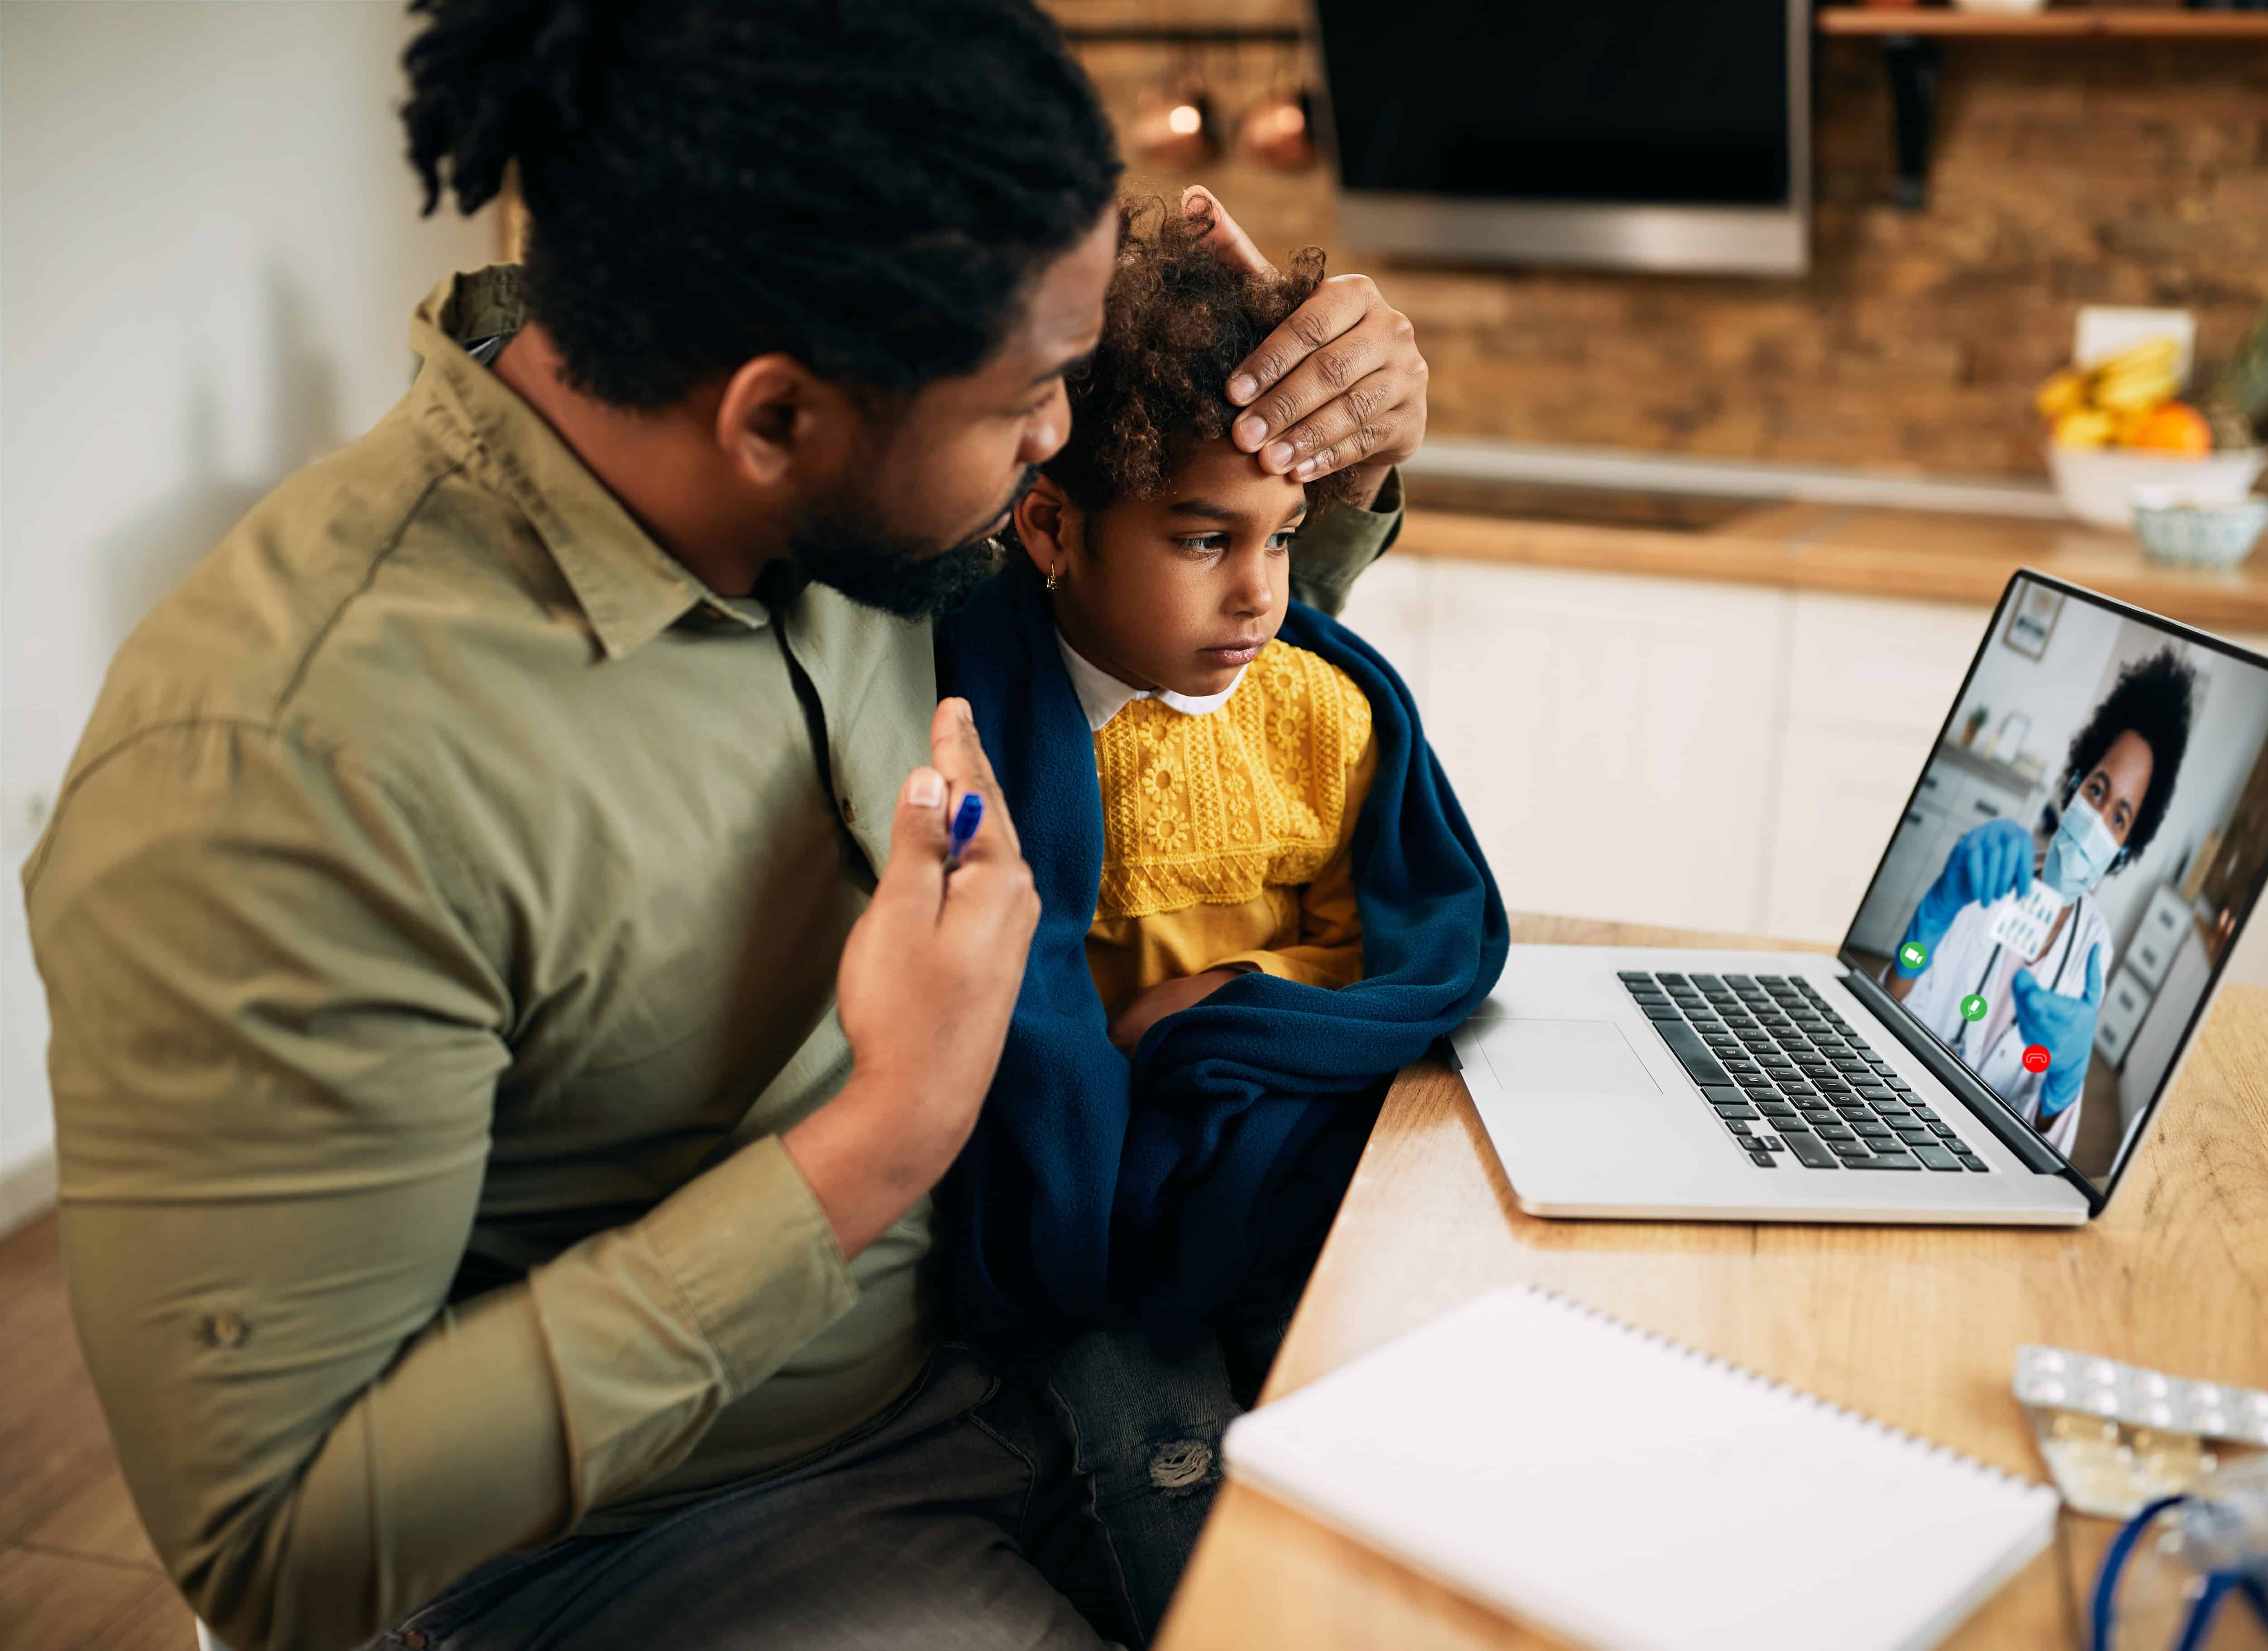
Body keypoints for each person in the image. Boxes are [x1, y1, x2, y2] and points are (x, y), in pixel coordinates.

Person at [18, 4, 1434, 1648]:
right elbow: (285, 1541)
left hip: (1053, 1340)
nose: (1058, 436)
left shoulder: (866, 468)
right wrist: (878, 1139)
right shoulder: (288, 764)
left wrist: (1338, 440)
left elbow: (1136, 623)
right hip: (684, 1527)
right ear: (774, 421)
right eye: (1028, 401)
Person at [931, 205, 1506, 1632]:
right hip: (1085, 1270)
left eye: (1285, 537)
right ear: (1050, 524)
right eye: (1204, 540)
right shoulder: (963, 719)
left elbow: (1382, 936)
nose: (1264, 596)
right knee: (1181, 1499)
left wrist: (1246, 1002)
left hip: (1276, 1168)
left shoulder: (1321, 712)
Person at [1883, 651, 2196, 1156]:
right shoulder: (1986, 877)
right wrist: (1930, 924)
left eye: (2120, 819)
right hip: (1900, 1106)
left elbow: (2041, 1142)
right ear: (2073, 786)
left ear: (2125, 851)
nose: (2097, 821)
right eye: (2097, 790)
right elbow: (1894, 1012)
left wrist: (2063, 1084)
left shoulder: (2092, 951)